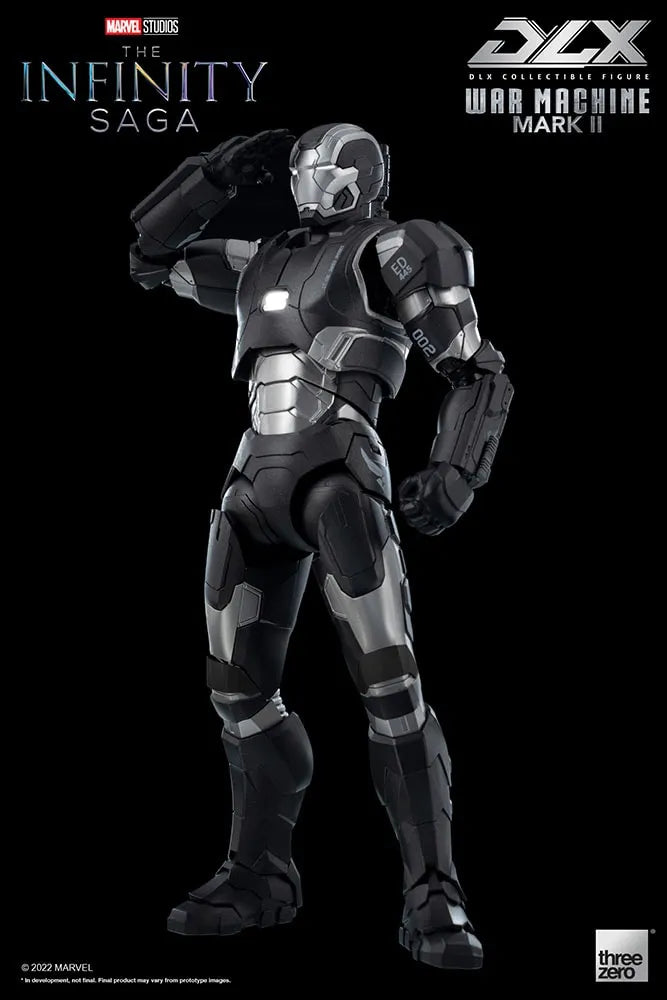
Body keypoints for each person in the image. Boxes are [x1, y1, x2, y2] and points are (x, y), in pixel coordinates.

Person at [129, 124, 513, 969]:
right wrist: (210, 178)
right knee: (237, 693)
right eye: (303, 169)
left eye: (326, 169)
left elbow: (475, 367)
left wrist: (455, 469)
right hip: (250, 485)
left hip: (339, 475)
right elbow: (151, 260)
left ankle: (434, 894)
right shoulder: (262, 257)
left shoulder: (395, 248)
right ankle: (258, 876)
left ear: (361, 176)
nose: (309, 181)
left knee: (391, 685)